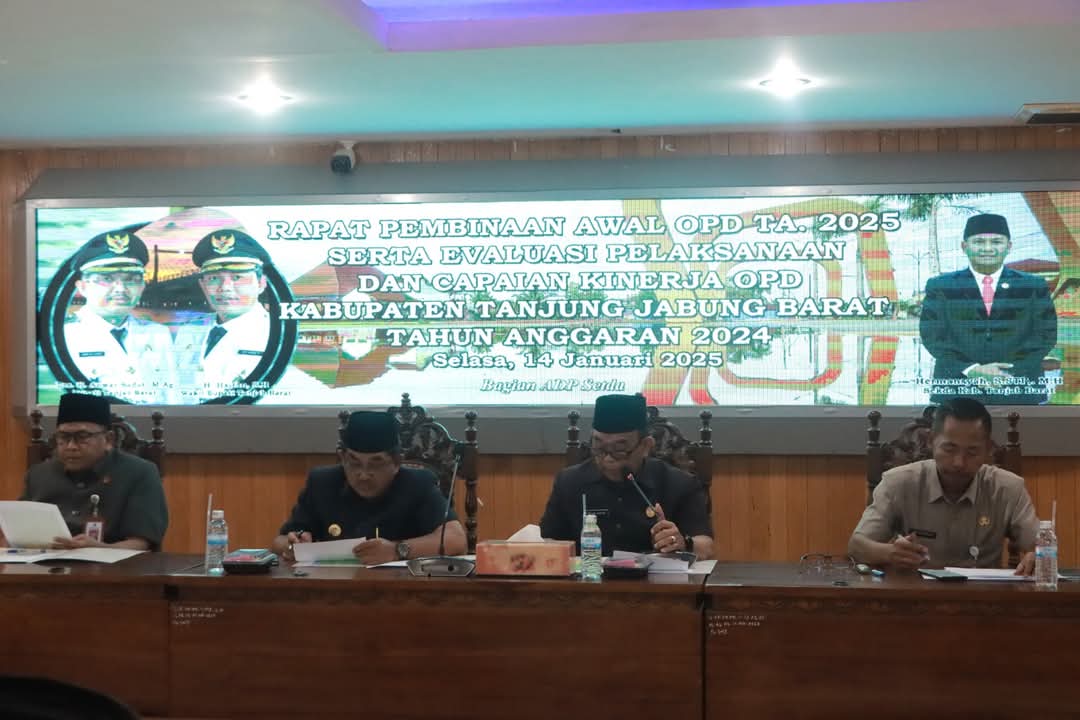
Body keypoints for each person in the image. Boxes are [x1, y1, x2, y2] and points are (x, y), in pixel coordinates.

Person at [848, 397, 1038, 574]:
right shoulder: (899, 482)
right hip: (917, 593)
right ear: (931, 441)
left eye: (972, 452)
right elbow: (857, 545)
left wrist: (1037, 555)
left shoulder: (1008, 488)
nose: (959, 463)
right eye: (949, 449)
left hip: (984, 594)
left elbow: (1042, 547)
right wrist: (890, 553)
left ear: (988, 449)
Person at [272, 411, 466, 564]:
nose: (363, 475)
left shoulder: (417, 484)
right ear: (343, 458)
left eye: (375, 464)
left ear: (396, 463)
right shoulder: (322, 483)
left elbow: (456, 540)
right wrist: (292, 546)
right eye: (354, 463)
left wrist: (397, 550)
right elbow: (279, 541)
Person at [539, 394, 714, 559]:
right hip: (589, 576)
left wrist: (683, 543)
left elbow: (705, 546)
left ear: (646, 446)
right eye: (599, 448)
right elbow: (547, 541)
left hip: (655, 579)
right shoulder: (569, 482)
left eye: (619, 450)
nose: (608, 459)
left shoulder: (679, 483)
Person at [919, 213, 1058, 404]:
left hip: (1019, 387)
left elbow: (1045, 335)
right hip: (956, 389)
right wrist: (972, 369)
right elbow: (932, 336)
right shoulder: (941, 286)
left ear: (1009, 246)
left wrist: (1003, 372)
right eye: (978, 242)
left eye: (996, 242)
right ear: (964, 247)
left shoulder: (1033, 285)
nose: (987, 248)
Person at [13, 393, 168, 551]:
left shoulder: (139, 473)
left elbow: (141, 544)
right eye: (63, 437)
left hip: (114, 565)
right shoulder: (38, 474)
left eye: (82, 437)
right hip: (43, 563)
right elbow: (17, 531)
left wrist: (99, 549)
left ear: (108, 440)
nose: (71, 446)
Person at [62, 227, 178, 404]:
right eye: (107, 279)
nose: (120, 289)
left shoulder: (157, 333)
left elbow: (172, 397)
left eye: (130, 279)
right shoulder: (65, 336)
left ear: (142, 286)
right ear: (83, 287)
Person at [173, 230, 274, 401]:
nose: (225, 288)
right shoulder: (188, 330)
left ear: (261, 283)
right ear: (203, 285)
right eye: (214, 278)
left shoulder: (277, 336)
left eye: (237, 277)